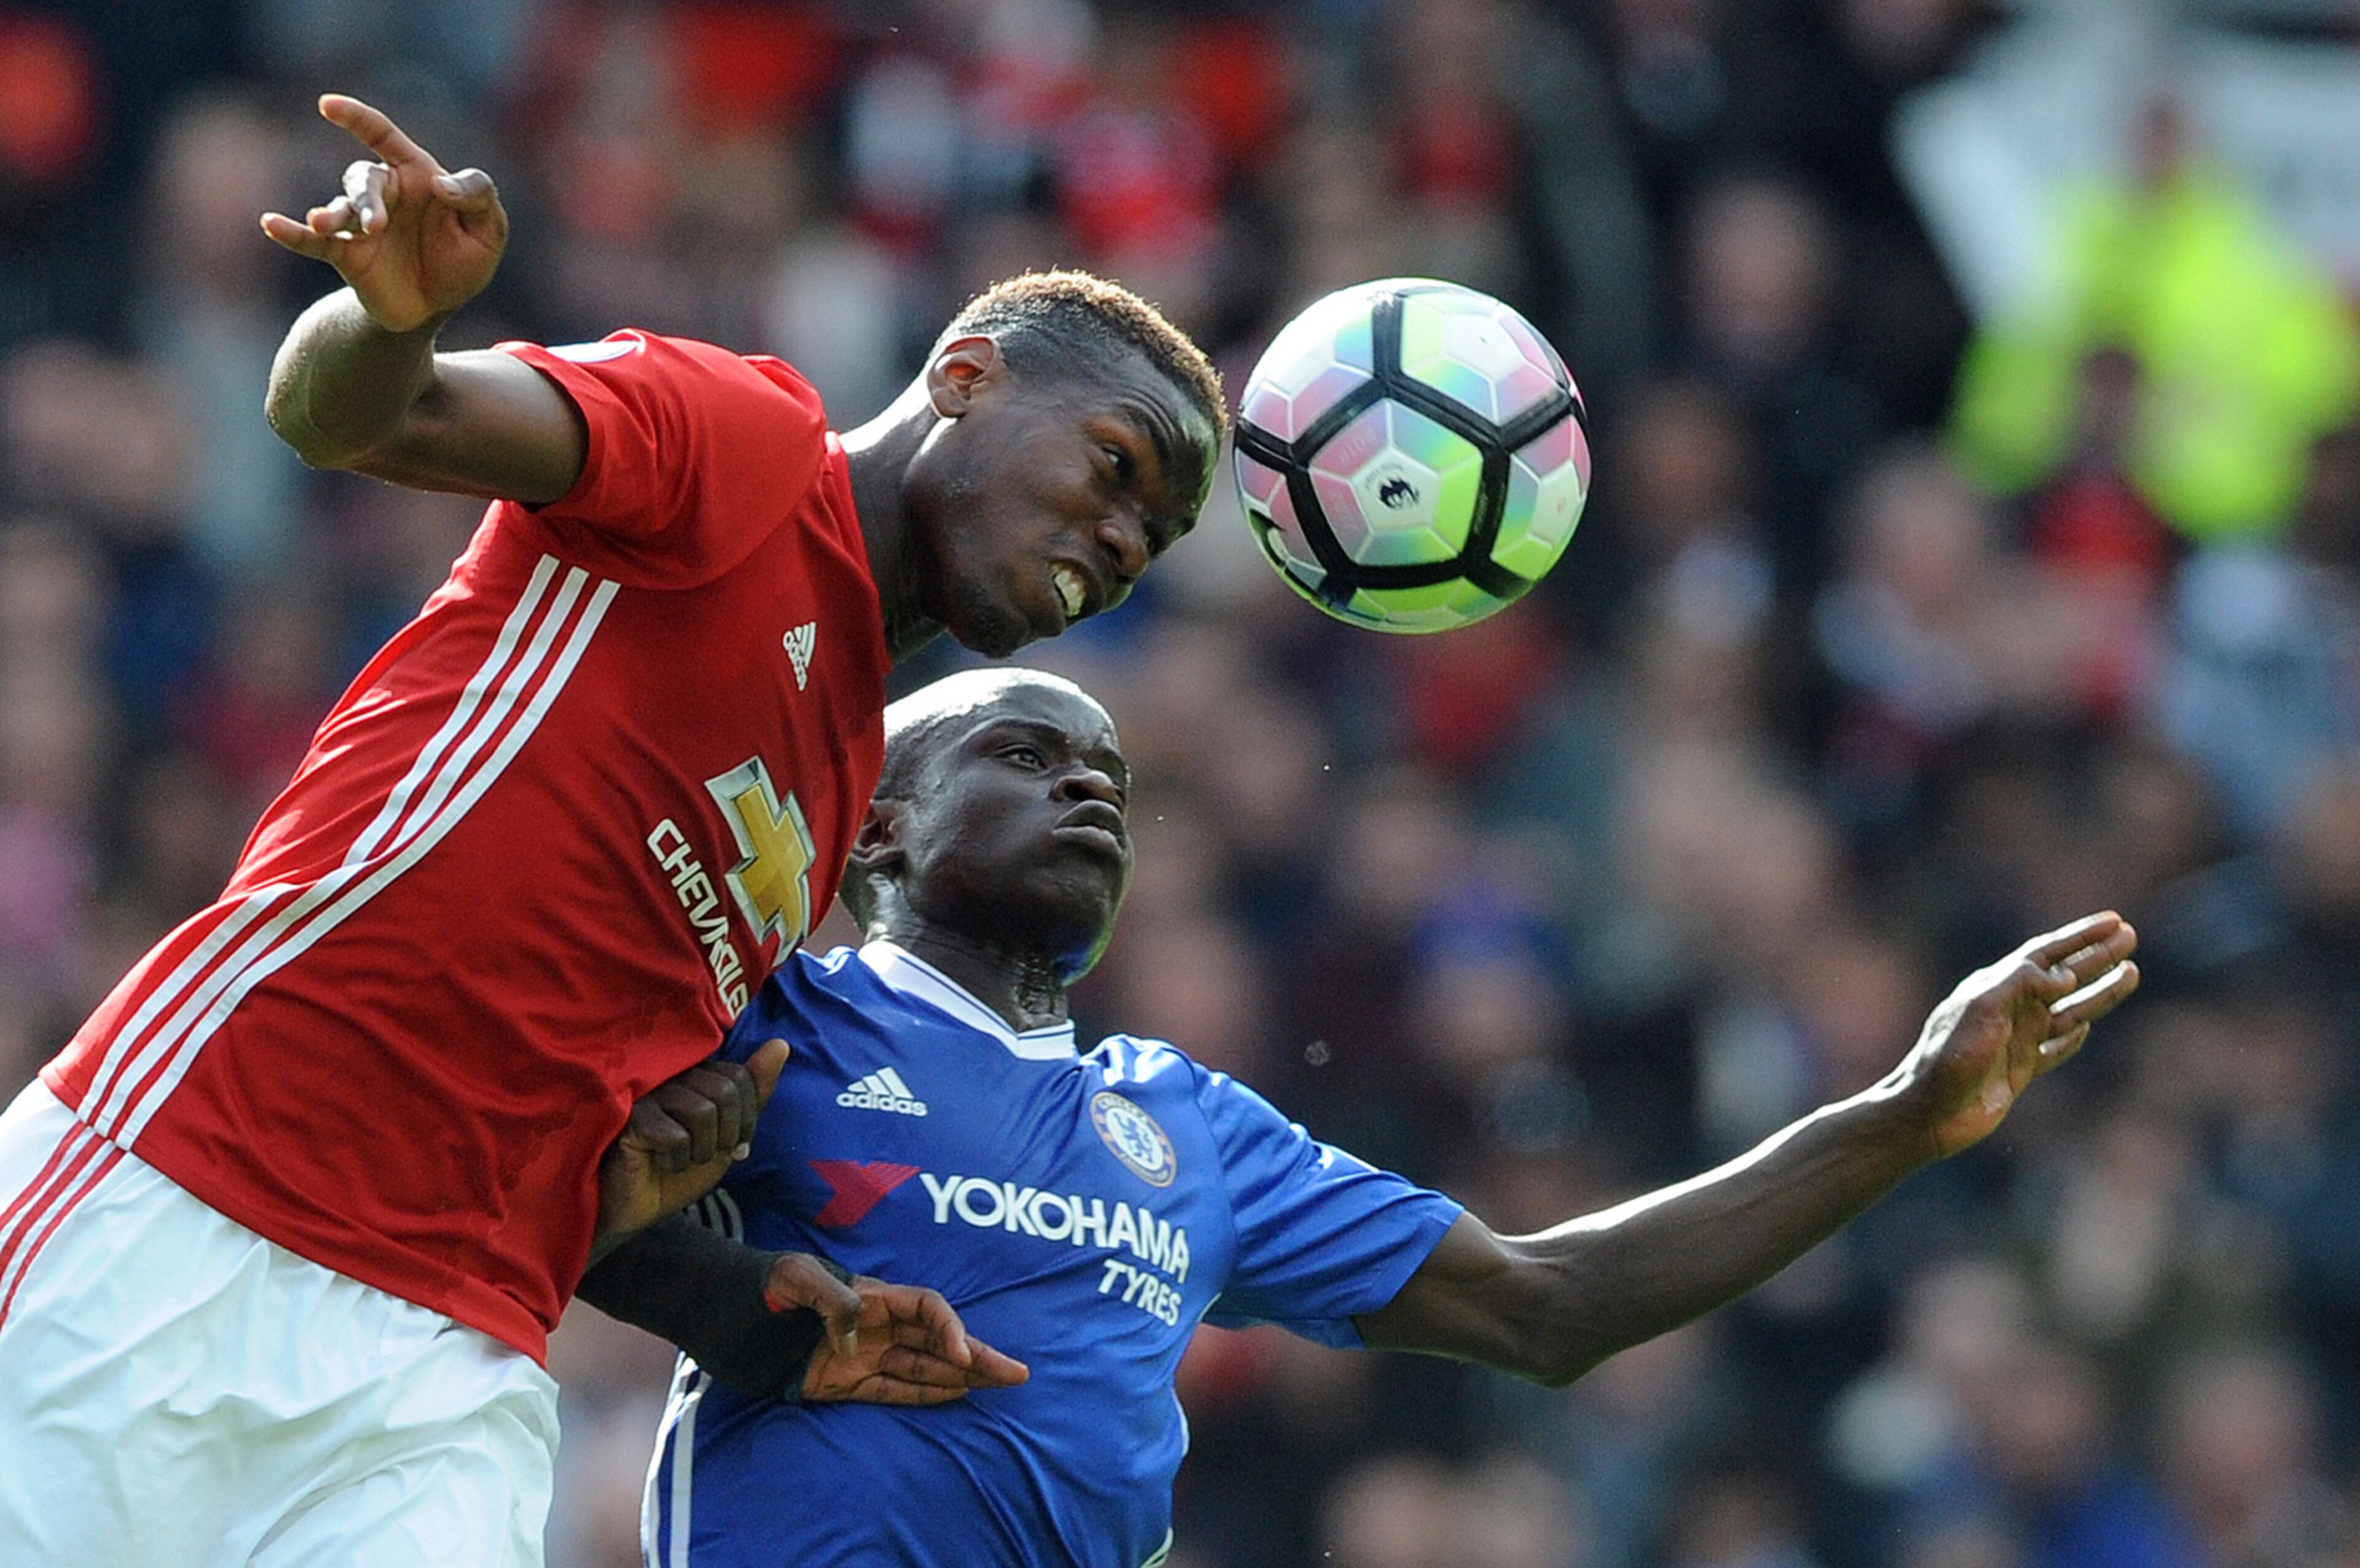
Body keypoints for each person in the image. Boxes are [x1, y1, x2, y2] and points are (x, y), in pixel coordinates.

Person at [0, 93, 1221, 1567]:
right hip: (195, 1196)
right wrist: (390, 322)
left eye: (1152, 542)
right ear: (965, 374)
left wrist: (756, 1305)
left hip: (447, 1368)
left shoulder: (839, 793)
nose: (1119, 545)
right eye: (1114, 471)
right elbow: (351, 416)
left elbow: (589, 1165)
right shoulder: (745, 441)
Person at [588, 666, 2142, 1567]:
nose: (1092, 791)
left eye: (1116, 777)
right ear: (878, 827)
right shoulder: (779, 1015)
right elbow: (550, 1190)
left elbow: (1553, 1303)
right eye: (1025, 753)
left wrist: (1897, 1115)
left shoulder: (1186, 1123)